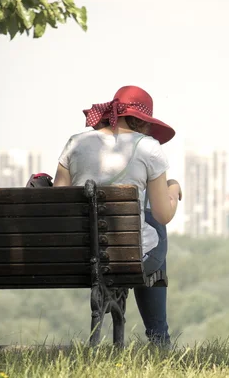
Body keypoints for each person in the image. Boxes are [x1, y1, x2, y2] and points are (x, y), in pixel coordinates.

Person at [53, 85, 181, 346]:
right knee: (155, 225)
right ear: (141, 120)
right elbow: (164, 214)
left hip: (79, 258)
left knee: (145, 230)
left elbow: (59, 203)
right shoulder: (148, 148)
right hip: (127, 258)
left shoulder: (75, 143)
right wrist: (174, 188)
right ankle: (159, 340)